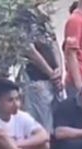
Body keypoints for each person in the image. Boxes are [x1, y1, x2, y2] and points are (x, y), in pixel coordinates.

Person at [18, 5, 63, 134]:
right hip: (37, 79)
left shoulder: (42, 15)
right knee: (43, 129)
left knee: (56, 127)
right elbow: (28, 49)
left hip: (54, 81)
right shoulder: (23, 15)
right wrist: (51, 73)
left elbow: (54, 43)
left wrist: (59, 70)